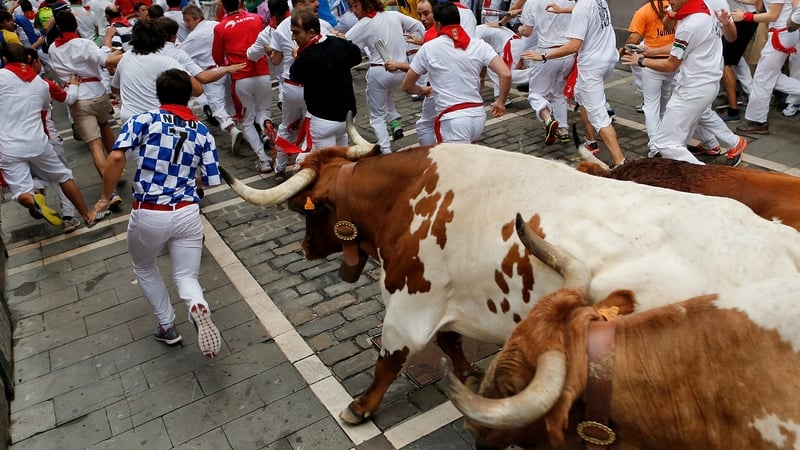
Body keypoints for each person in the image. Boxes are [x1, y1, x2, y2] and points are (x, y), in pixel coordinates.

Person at [90, 69, 222, 358]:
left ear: (158, 95)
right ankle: (197, 305)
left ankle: (167, 326)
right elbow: (210, 180)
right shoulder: (202, 132)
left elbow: (115, 157)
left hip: (150, 211)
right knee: (187, 275)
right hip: (187, 212)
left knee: (145, 267)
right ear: (188, 96)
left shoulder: (143, 120)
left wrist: (103, 197)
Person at [621, 0, 746, 166]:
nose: (669, 1)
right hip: (704, 83)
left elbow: (671, 64)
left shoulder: (692, 23)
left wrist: (641, 61)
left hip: (694, 88)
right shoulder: (704, 8)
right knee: (694, 124)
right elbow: (682, 40)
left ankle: (704, 177)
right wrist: (653, 50)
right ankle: (719, 146)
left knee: (665, 143)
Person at [0, 43, 108, 229]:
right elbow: (47, 106)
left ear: (4, 60)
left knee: (20, 192)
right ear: (28, 60)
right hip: (38, 143)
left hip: (7, 147)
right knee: (64, 176)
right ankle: (87, 215)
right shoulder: (41, 85)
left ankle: (32, 199)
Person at [401, 2, 510, 143]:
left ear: (438, 24)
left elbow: (406, 86)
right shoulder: (479, 44)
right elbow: (505, 73)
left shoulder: (429, 48)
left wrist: (421, 89)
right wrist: (501, 101)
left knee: (454, 164)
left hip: (453, 119)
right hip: (478, 116)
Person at [49, 11, 124, 209]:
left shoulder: (52, 49)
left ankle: (112, 191)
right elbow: (103, 59)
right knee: (105, 125)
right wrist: (108, 38)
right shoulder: (84, 44)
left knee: (94, 145)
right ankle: (117, 169)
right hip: (98, 93)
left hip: (78, 99)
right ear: (75, 25)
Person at [346, 0, 424, 154]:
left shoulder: (364, 24)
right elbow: (419, 26)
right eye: (352, 6)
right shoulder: (394, 15)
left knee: (377, 116)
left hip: (380, 71)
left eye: (355, 5)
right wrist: (423, 43)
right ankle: (394, 120)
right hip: (402, 70)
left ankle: (386, 150)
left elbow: (343, 43)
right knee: (385, 94)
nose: (353, 10)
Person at [213, 0, 275, 174]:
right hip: (262, 73)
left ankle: (263, 160)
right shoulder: (256, 18)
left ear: (224, 6)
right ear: (241, 2)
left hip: (241, 78)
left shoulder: (220, 27)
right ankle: (267, 126)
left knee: (246, 122)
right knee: (263, 112)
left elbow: (217, 59)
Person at [289, 8, 362, 149]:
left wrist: (296, 57)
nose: (293, 37)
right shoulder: (338, 43)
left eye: (296, 32)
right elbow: (357, 56)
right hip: (347, 117)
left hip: (323, 120)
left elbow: (295, 76)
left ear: (311, 32)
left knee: (329, 165)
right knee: (343, 159)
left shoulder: (305, 58)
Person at [111, 20, 202, 123]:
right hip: (157, 121)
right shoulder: (167, 62)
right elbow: (198, 90)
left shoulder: (125, 59)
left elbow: (114, 88)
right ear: (161, 39)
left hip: (130, 120)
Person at [732, 0, 800, 135]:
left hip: (780, 33)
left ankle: (758, 122)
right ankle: (757, 121)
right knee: (768, 77)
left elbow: (772, 15)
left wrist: (745, 16)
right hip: (783, 33)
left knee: (762, 79)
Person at [517, 0, 573, 144]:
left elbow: (528, 32)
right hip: (567, 51)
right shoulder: (570, 1)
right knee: (558, 93)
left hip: (546, 53)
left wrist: (520, 29)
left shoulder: (532, 2)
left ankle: (548, 119)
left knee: (535, 94)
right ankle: (563, 129)